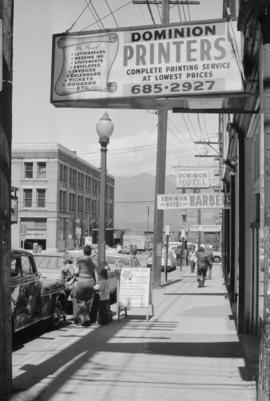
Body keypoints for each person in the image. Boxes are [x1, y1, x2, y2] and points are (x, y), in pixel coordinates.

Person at [71, 245, 98, 326]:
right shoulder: (93, 261)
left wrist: (73, 266)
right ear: (90, 252)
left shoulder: (79, 260)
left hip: (81, 282)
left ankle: (84, 319)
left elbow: (76, 272)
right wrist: (96, 283)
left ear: (83, 252)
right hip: (91, 282)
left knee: (78, 299)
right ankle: (85, 319)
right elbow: (95, 272)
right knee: (88, 300)